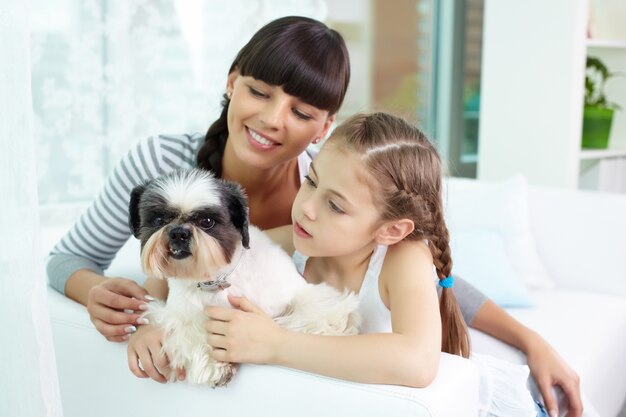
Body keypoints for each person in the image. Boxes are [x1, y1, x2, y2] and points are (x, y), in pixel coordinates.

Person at [46, 16, 582, 417]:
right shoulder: (168, 166)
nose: (274, 120)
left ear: (325, 126)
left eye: (302, 112)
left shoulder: (327, 181)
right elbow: (148, 280)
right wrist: (134, 315)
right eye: (258, 91)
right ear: (232, 81)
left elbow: (421, 273)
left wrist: (531, 340)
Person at [202, 112, 541, 416]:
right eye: (312, 182)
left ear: (391, 230)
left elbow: (418, 361)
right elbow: (205, 259)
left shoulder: (403, 259)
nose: (306, 207)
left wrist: (275, 345)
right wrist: (149, 325)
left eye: (335, 206)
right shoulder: (296, 240)